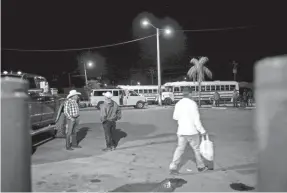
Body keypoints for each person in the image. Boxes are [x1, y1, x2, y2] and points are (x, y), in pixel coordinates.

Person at [169, 87, 208, 175]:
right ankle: (201, 167)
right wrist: (202, 131)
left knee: (179, 149)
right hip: (192, 131)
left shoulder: (178, 103)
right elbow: (196, 120)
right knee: (197, 149)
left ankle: (173, 167)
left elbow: (175, 117)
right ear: (190, 94)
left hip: (181, 131)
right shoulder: (193, 104)